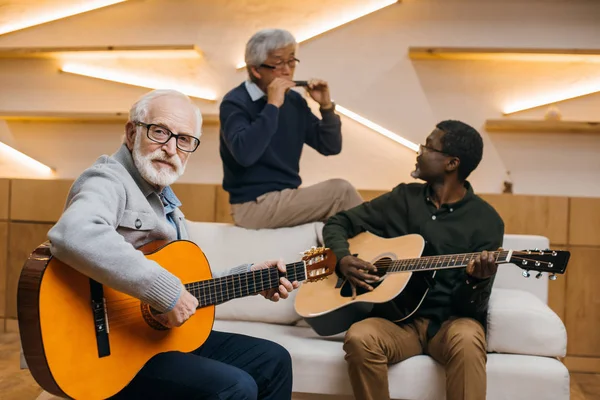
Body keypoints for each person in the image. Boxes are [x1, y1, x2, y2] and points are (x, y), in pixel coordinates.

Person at [47, 89, 298, 399]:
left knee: (274, 360)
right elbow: (74, 231)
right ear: (131, 132)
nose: (170, 148)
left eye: (184, 140)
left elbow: (184, 288)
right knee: (236, 386)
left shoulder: (167, 204)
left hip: (154, 340)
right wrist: (164, 290)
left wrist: (248, 277)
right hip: (113, 350)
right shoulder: (107, 180)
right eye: (160, 132)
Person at [322, 120, 505, 400]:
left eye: (427, 147)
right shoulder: (403, 198)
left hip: (449, 324)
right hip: (397, 323)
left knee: (469, 339)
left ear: (452, 163)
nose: (418, 152)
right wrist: (343, 258)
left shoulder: (486, 221)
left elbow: (473, 307)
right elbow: (338, 222)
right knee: (360, 337)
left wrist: (475, 281)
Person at [219, 28, 363, 229]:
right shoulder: (235, 102)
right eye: (278, 63)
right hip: (251, 205)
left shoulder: (293, 100)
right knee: (341, 191)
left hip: (287, 196)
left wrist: (326, 107)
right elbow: (245, 154)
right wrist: (272, 106)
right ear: (255, 70)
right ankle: (383, 251)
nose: (288, 70)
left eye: (291, 61)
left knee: (339, 223)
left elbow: (330, 146)